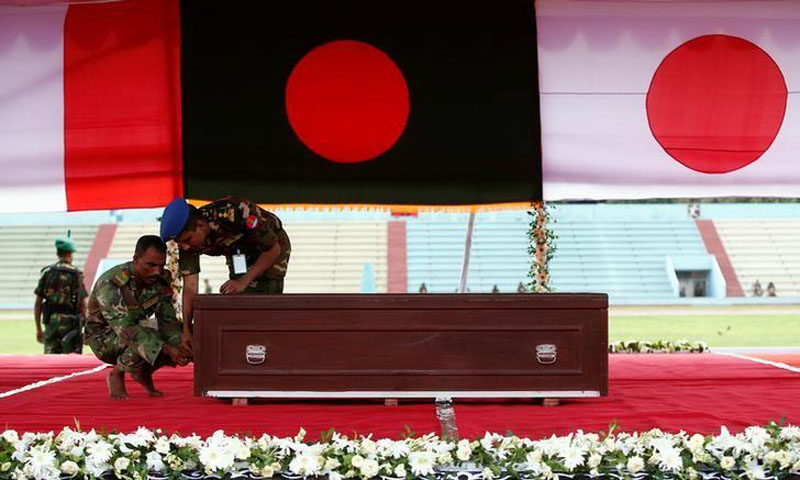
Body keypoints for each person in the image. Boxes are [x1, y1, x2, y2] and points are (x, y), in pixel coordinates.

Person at [160, 197, 291, 352]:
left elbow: (273, 249)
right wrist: (187, 331)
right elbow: (190, 286)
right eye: (180, 243)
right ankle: (243, 350)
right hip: (238, 252)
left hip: (270, 245)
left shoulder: (236, 212)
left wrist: (243, 281)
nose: (185, 247)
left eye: (187, 240)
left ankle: (270, 349)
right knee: (238, 299)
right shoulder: (187, 242)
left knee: (265, 295)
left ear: (200, 226)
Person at [84, 235, 191, 400]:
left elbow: (167, 321)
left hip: (137, 328)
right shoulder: (111, 283)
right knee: (150, 337)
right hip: (103, 337)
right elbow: (125, 329)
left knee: (187, 336)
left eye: (161, 265)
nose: (157, 271)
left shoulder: (161, 279)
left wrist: (182, 344)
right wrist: (168, 349)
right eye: (150, 265)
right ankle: (116, 374)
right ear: (136, 259)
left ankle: (143, 371)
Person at [33, 232, 88, 354]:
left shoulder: (47, 273)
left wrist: (39, 329)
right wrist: (88, 329)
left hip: (51, 323)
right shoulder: (76, 275)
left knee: (50, 362)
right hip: (71, 324)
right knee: (72, 362)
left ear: (58, 253)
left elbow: (38, 304)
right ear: (70, 254)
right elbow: (83, 305)